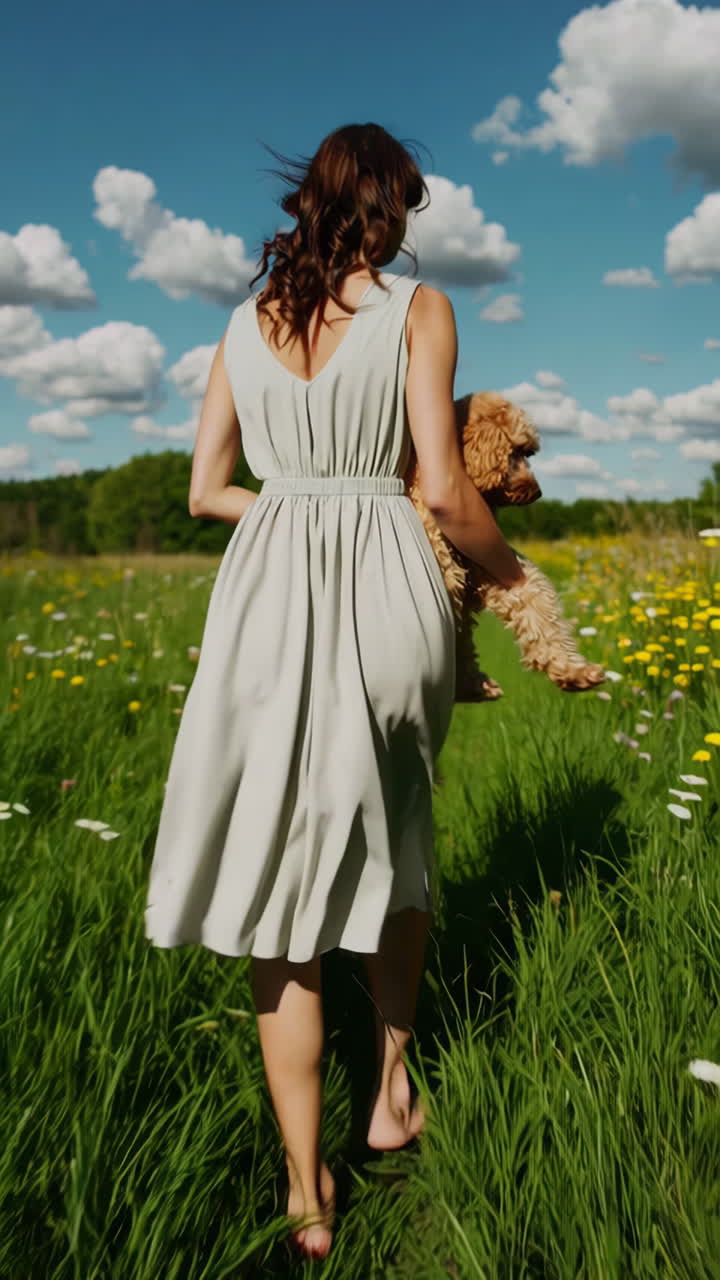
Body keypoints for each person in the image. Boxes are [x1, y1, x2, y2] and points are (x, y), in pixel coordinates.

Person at [144, 122, 527, 1261]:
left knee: (277, 885)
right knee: (395, 834)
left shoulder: (239, 325)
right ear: (388, 209)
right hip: (389, 580)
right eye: (405, 203)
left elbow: (207, 485)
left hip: (265, 592)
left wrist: (287, 504)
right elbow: (445, 483)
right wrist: (509, 575)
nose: (409, 222)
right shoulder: (419, 308)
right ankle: (393, 1086)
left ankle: (305, 1182)